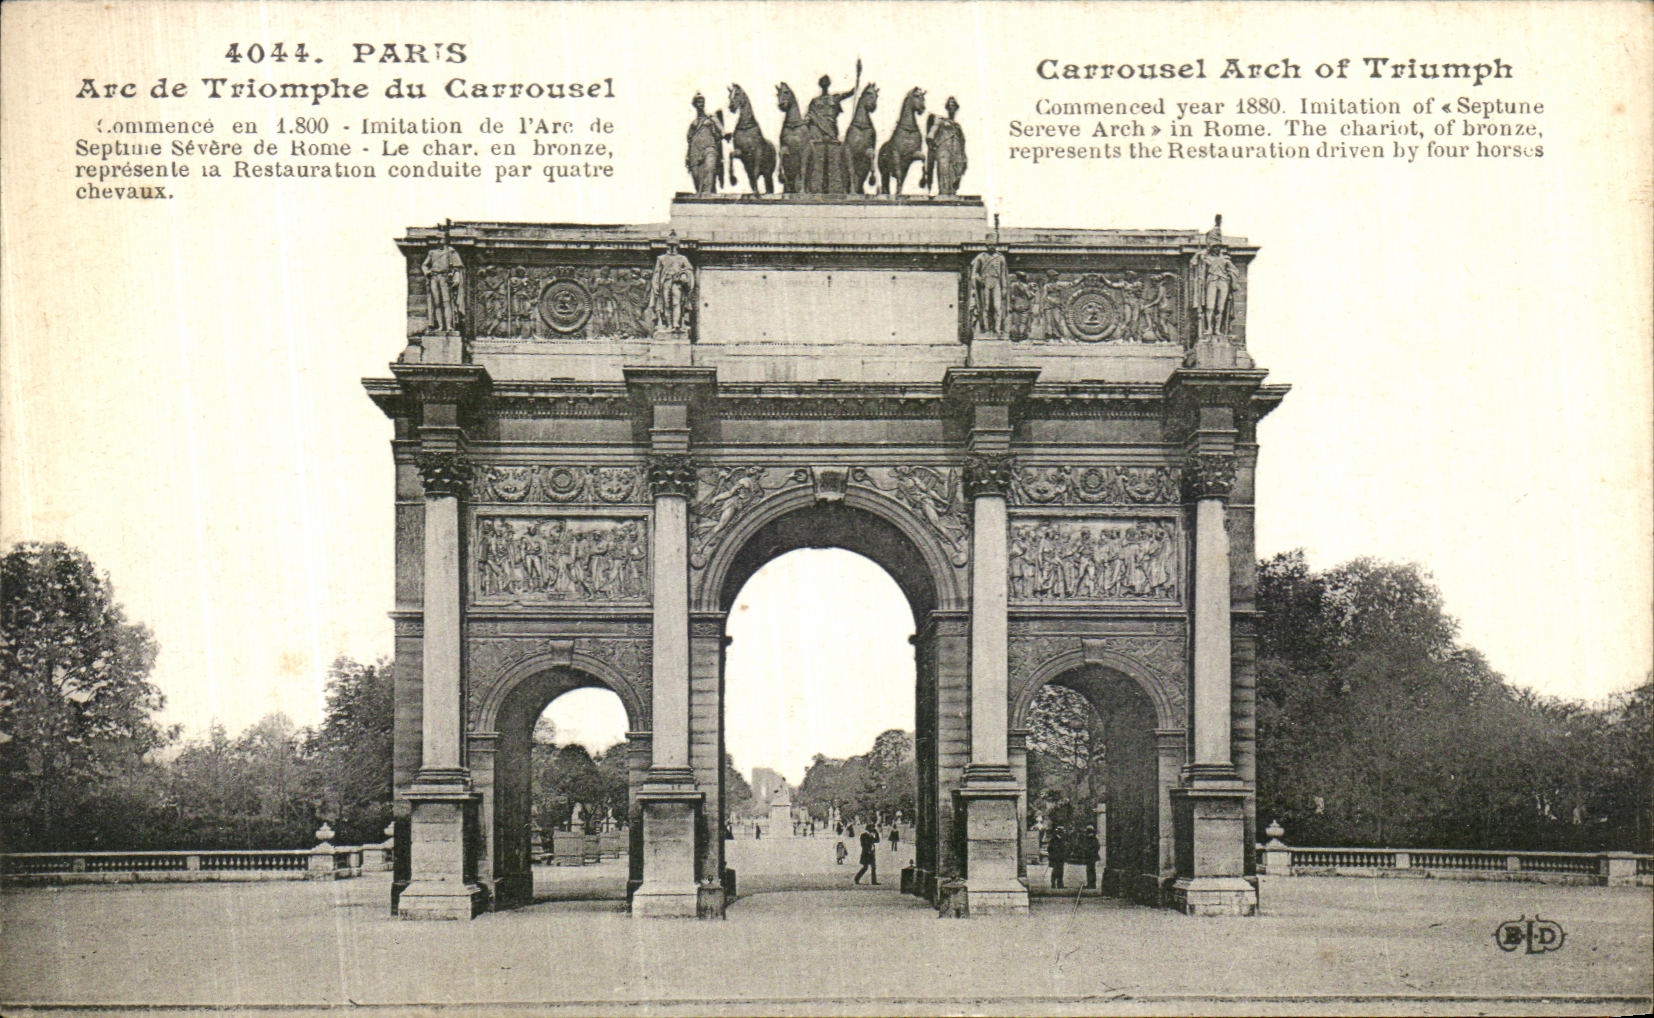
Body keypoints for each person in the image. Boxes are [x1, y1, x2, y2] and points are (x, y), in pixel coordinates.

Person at [1071, 823, 1100, 890]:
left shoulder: (1091, 839)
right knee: (1091, 870)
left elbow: (1094, 847)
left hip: (1091, 856)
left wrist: (1087, 850)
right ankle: (1091, 884)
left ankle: (1091, 884)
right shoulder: (1094, 839)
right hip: (1091, 856)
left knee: (1090, 870)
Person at [1047, 825, 1067, 889]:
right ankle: (1055, 884)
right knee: (1056, 870)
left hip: (1059, 858)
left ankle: (1058, 884)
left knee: (1059, 871)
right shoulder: (1054, 840)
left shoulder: (1059, 839)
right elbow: (1049, 849)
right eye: (1062, 832)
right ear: (1060, 832)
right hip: (1056, 858)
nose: (1063, 833)